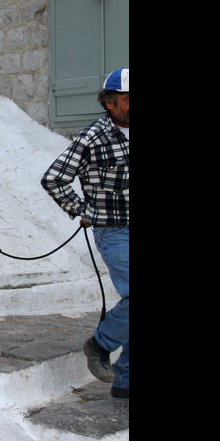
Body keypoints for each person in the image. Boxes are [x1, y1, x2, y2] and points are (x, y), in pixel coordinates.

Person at [41, 68, 129, 399]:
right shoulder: (92, 137)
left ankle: (125, 382)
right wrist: (82, 211)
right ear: (109, 102)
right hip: (113, 231)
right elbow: (54, 178)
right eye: (127, 98)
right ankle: (99, 345)